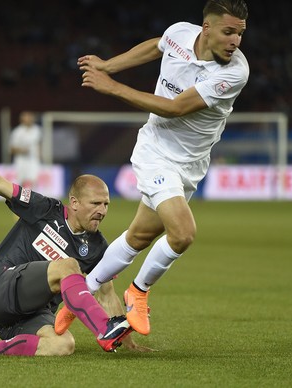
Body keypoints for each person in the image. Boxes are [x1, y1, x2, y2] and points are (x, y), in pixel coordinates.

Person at [54, 0, 249, 337]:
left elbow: (175, 108)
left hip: (191, 164)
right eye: (228, 31)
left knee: (139, 236)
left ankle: (78, 296)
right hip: (155, 153)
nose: (235, 41)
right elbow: (156, 45)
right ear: (206, 28)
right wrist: (109, 66)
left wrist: (112, 87)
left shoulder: (234, 73)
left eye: (240, 34)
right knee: (183, 233)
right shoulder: (179, 33)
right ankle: (138, 292)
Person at [0, 127, 149, 356]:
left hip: (29, 315)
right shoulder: (44, 209)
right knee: (67, 265)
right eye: (95, 203)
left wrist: (128, 343)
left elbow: (106, 295)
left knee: (62, 345)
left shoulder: (97, 247)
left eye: (106, 204)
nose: (102, 210)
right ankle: (103, 329)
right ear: (74, 202)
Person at [9, 111, 42, 189]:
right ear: (22, 119)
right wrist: (21, 150)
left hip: (33, 159)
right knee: (20, 181)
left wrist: (40, 154)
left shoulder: (37, 130)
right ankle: (19, 199)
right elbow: (11, 149)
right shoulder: (17, 132)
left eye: (30, 117)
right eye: (27, 117)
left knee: (34, 180)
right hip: (21, 160)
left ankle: (34, 200)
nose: (29, 119)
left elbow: (39, 144)